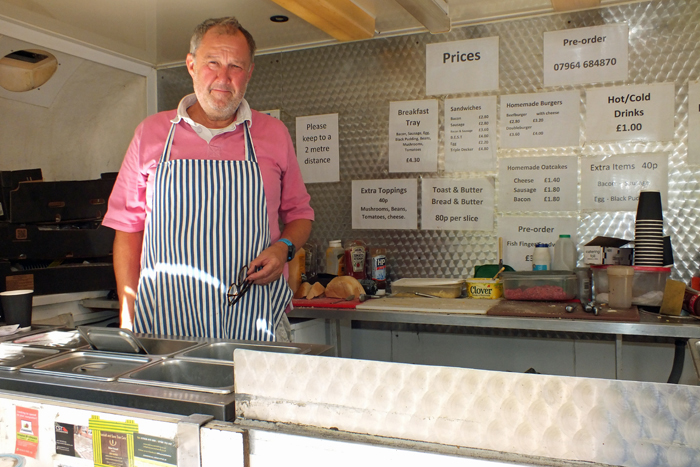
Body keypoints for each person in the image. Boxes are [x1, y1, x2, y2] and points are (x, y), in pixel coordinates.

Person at [102, 17, 313, 341]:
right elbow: (128, 231)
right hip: (166, 325)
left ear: (250, 72)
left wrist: (283, 248)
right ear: (191, 65)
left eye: (235, 66)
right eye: (212, 63)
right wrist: (128, 318)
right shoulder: (151, 134)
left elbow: (301, 215)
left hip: (255, 319)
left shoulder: (274, 134)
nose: (223, 78)